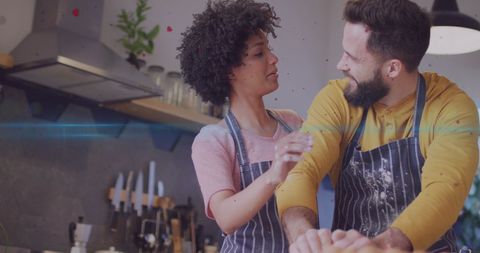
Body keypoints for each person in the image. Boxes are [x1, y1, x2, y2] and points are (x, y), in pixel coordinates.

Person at [275, 0, 479, 252]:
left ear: (392, 68)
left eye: (351, 56)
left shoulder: (451, 107)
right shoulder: (337, 99)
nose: (340, 64)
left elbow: (446, 189)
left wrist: (383, 246)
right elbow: (302, 169)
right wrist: (302, 235)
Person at [177, 0, 312, 252]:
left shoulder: (292, 122)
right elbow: (226, 218)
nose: (274, 59)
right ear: (229, 71)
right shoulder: (214, 139)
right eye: (259, 54)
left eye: (268, 50)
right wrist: (274, 174)